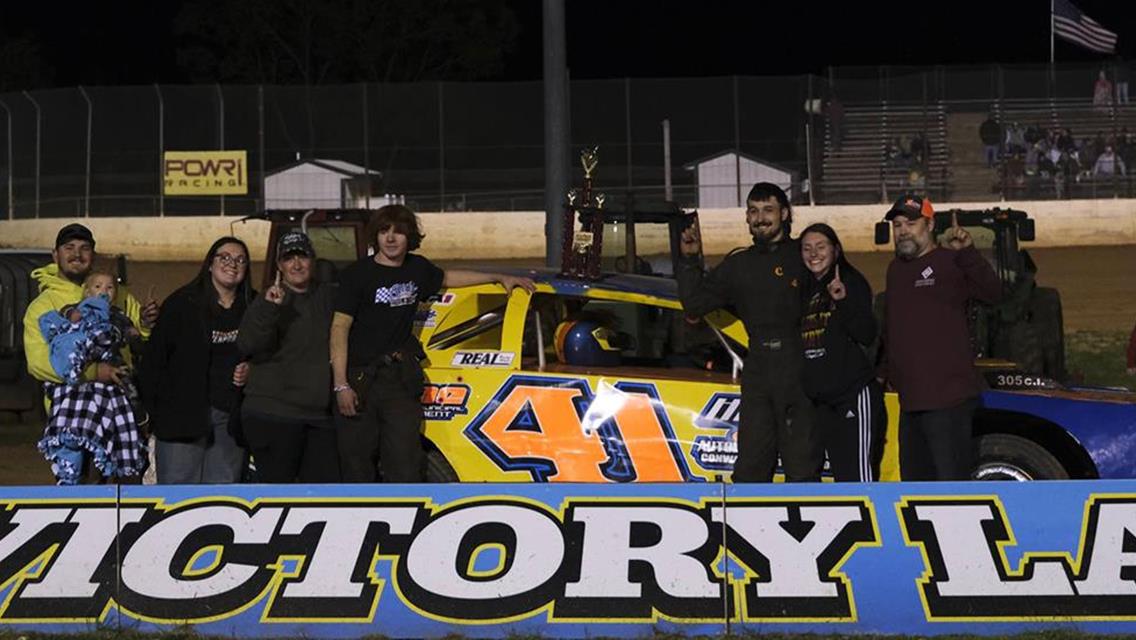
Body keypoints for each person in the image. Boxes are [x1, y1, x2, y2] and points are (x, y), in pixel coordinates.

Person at [331, 204, 534, 482]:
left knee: (405, 462)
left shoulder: (417, 268)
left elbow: (449, 277)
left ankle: (406, 520)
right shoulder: (357, 274)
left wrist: (499, 276)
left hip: (398, 379)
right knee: (357, 463)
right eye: (384, 231)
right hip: (360, 378)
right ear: (375, 237)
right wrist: (341, 384)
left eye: (399, 232)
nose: (390, 238)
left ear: (410, 238)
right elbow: (340, 328)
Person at [676, 182, 820, 483]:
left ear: (785, 213)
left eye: (768, 210)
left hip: (800, 369)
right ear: (746, 217)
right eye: (753, 211)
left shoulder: (805, 256)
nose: (761, 218)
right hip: (758, 370)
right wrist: (689, 260)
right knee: (750, 468)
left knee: (802, 467)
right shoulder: (738, 265)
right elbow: (695, 303)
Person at [23, 223, 158, 483]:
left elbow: (139, 339)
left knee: (124, 491)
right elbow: (37, 363)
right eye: (69, 248)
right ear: (55, 255)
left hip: (119, 411)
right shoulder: (42, 305)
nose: (77, 254)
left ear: (93, 255)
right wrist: (94, 373)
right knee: (80, 492)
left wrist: (145, 324)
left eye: (84, 248)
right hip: (73, 416)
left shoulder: (119, 296)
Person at [879, 195, 1002, 481]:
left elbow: (994, 294)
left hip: (949, 402)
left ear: (930, 224)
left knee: (951, 488)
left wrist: (969, 253)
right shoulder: (895, 270)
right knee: (915, 488)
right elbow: (893, 327)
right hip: (910, 403)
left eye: (911, 223)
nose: (903, 231)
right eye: (897, 225)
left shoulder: (951, 261)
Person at [141, 236, 253, 484]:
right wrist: (156, 415)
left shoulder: (254, 307)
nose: (232, 264)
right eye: (224, 257)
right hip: (181, 418)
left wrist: (252, 369)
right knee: (178, 496)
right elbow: (153, 362)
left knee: (222, 496)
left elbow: (269, 353)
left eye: (240, 260)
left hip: (230, 420)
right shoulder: (181, 304)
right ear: (210, 264)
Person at [237, 232, 340, 483]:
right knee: (277, 495)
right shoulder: (268, 300)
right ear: (279, 265)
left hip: (318, 416)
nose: (296, 264)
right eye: (289, 258)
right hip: (273, 413)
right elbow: (247, 344)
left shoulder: (329, 296)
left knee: (323, 494)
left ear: (312, 260)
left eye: (302, 257)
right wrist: (271, 309)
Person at [35, 270, 149, 485]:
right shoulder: (71, 309)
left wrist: (142, 328)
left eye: (109, 287)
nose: (103, 292)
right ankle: (69, 474)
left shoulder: (118, 315)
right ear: (86, 292)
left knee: (129, 390)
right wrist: (75, 318)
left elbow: (135, 336)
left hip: (111, 388)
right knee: (76, 453)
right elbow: (60, 325)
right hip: (77, 393)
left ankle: (138, 423)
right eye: (97, 287)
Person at [799, 223, 885, 482]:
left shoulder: (850, 281)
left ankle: (868, 524)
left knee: (857, 479)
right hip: (824, 404)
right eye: (807, 248)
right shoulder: (805, 289)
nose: (814, 253)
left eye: (820, 247)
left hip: (853, 396)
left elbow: (867, 333)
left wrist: (843, 299)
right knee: (838, 482)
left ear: (835, 250)